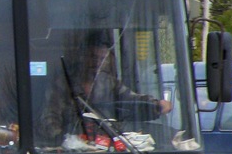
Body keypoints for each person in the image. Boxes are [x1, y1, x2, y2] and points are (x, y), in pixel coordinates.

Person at [39, 37, 171, 144]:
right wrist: (65, 141)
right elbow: (49, 118)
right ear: (83, 57)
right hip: (73, 149)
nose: (96, 63)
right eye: (92, 57)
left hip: (106, 147)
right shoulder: (63, 84)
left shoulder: (109, 83)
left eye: (101, 59)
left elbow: (132, 99)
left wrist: (156, 105)